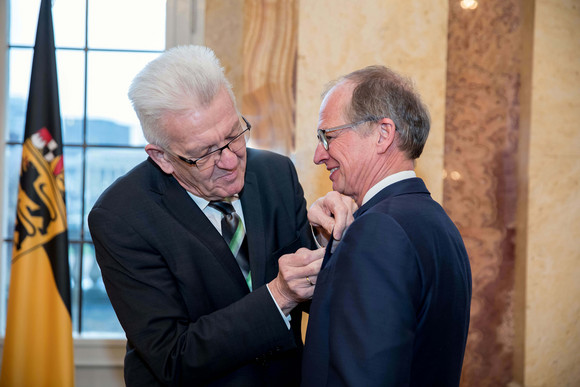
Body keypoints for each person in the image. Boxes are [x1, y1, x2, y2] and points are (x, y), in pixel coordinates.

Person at [88, 45, 331, 386]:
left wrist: (326, 242)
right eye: (203, 154)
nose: (231, 161)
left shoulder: (277, 174)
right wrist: (278, 295)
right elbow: (173, 358)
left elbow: (316, 300)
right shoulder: (121, 216)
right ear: (162, 157)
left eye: (234, 135)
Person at [301, 66, 472, 386]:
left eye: (328, 136)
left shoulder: (377, 231)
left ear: (383, 134)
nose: (317, 155)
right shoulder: (438, 222)